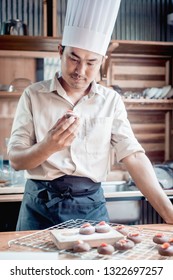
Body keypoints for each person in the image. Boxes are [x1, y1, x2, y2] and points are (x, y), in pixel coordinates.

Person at [8, 0, 173, 230]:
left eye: (91, 62)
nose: (80, 70)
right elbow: (16, 160)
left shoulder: (111, 101)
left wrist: (169, 213)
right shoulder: (33, 95)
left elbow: (133, 156)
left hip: (90, 210)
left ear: (102, 62)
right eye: (73, 58)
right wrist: (48, 146)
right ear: (60, 52)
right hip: (39, 208)